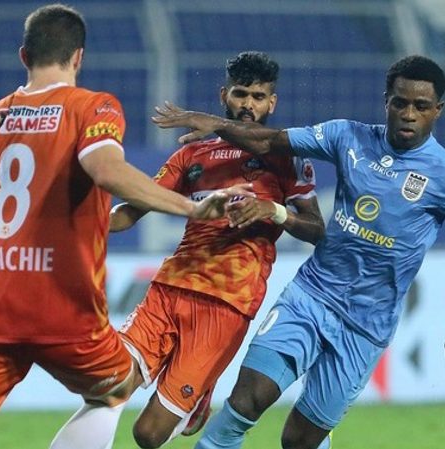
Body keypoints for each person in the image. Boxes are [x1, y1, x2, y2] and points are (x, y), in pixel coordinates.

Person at [0, 5, 250, 449]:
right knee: (114, 391)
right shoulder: (93, 107)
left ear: (24, 55)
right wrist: (191, 208)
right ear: (78, 57)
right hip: (62, 307)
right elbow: (106, 170)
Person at [152, 55, 445, 449]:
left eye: (421, 106)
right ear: (387, 101)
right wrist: (216, 124)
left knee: (299, 441)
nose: (408, 114)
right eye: (400, 103)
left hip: (366, 326)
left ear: (438, 110)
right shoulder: (347, 136)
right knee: (246, 402)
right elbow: (270, 140)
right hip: (310, 297)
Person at [107, 51, 325, 449]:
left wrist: (275, 212)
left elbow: (317, 231)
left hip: (226, 304)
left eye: (258, 97)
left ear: (272, 103)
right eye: (240, 94)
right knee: (109, 387)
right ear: (224, 95)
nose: (248, 105)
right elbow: (130, 212)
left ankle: (199, 395)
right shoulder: (190, 156)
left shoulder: (285, 158)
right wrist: (75, 225)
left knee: (148, 435)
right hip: (170, 287)